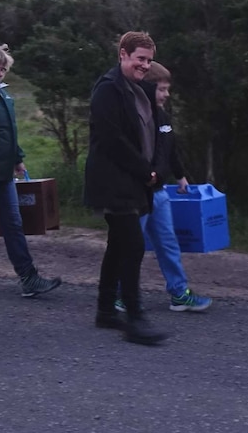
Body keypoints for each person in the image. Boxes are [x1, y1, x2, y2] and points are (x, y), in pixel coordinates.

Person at [0, 36, 62, 297]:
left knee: (14, 226)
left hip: (5, 174)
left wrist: (18, 158)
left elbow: (9, 130)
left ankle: (29, 278)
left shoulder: (3, 94)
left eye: (2, 69)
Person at [85, 31, 168, 345]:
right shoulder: (107, 91)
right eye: (139, 59)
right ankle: (134, 316)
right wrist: (144, 170)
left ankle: (106, 310)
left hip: (138, 181)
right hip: (113, 181)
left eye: (148, 60)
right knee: (132, 245)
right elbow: (112, 140)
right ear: (123, 54)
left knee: (119, 245)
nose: (144, 66)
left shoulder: (143, 91)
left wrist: (158, 170)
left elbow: (161, 133)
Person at [115, 61, 212, 314]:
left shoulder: (164, 117)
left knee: (168, 243)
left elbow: (170, 149)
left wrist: (180, 177)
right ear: (146, 88)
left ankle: (179, 292)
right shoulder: (135, 116)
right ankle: (120, 294)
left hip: (160, 194)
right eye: (161, 89)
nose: (166, 94)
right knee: (130, 245)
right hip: (137, 194)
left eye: (168, 89)